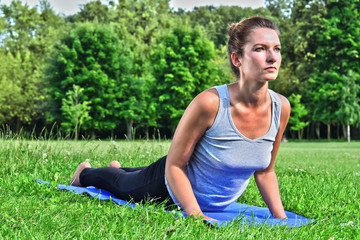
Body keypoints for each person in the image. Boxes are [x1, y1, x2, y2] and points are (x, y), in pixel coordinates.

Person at [70, 16, 290, 221]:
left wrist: (281, 219)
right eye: (260, 49)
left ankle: (118, 167)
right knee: (120, 184)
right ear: (237, 58)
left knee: (137, 173)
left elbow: (265, 171)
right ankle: (85, 173)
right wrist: (196, 215)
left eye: (277, 49)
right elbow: (175, 166)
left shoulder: (281, 107)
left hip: (214, 202)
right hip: (167, 189)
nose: (272, 57)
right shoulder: (210, 103)